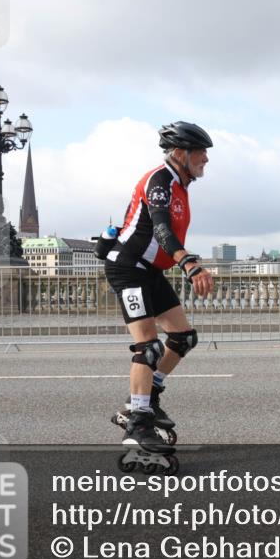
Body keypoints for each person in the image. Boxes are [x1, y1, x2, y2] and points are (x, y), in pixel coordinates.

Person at [103, 121, 216, 454]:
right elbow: (163, 230)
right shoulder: (161, 181)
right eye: (201, 152)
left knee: (184, 338)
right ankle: (137, 422)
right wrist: (189, 263)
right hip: (128, 268)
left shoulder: (181, 185)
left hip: (150, 270)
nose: (206, 159)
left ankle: (148, 397)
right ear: (180, 153)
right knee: (148, 348)